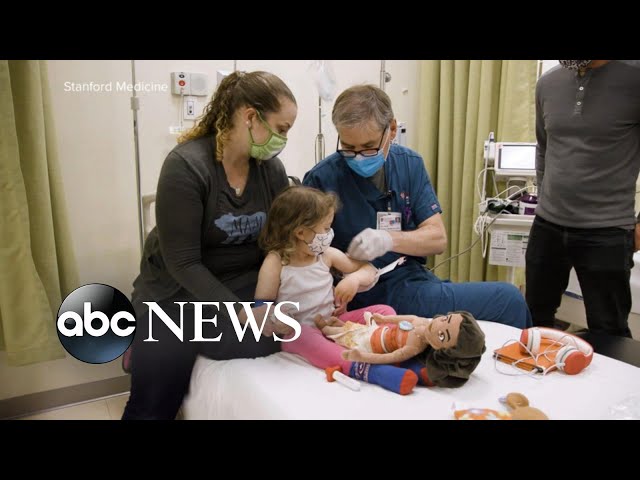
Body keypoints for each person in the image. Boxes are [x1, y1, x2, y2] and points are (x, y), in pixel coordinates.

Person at [122, 71, 298, 420]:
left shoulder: (271, 171)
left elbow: (279, 242)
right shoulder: (188, 166)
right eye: (281, 128)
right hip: (176, 292)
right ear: (250, 117)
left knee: (269, 336)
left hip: (240, 282)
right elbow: (183, 263)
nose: (283, 139)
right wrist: (241, 313)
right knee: (158, 391)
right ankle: (144, 344)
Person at [303, 84, 532, 329]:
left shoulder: (408, 164)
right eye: (348, 148)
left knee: (501, 303)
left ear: (391, 130)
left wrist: (388, 239)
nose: (358, 157)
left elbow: (437, 239)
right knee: (508, 300)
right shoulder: (322, 179)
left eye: (368, 147)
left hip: (412, 280)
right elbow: (301, 254)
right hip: (365, 292)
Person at [255, 185, 419, 395]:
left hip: (333, 323)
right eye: (325, 228)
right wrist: (276, 319)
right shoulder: (276, 261)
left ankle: (398, 350)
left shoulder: (326, 255)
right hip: (298, 333)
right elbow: (261, 307)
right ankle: (371, 371)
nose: (329, 234)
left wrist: (354, 280)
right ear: (300, 232)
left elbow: (367, 269)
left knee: (384, 312)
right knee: (302, 334)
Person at [526, 60, 640, 338]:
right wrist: (544, 195)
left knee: (609, 330)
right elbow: (544, 147)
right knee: (534, 317)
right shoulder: (548, 83)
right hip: (548, 226)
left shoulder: (634, 78)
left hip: (607, 231)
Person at [316, 310, 486, 388]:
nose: (437, 325)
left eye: (442, 336)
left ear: (441, 350)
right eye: (445, 319)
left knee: (344, 336)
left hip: (370, 344)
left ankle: (324, 329)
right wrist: (385, 319)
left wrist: (363, 357)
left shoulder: (414, 347)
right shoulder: (422, 321)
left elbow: (390, 357)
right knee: (355, 328)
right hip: (377, 330)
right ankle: (337, 324)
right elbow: (406, 318)